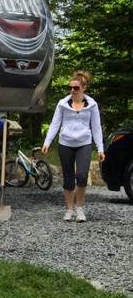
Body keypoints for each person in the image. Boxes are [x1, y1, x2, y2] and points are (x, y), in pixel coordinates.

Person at [41, 70, 105, 222]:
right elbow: (55, 123)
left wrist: (100, 148)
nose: (72, 90)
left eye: (76, 88)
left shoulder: (92, 105)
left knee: (82, 176)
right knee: (68, 178)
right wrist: (47, 142)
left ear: (84, 88)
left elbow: (96, 127)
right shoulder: (63, 104)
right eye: (70, 87)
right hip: (66, 143)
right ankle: (69, 209)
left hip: (84, 143)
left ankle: (80, 208)